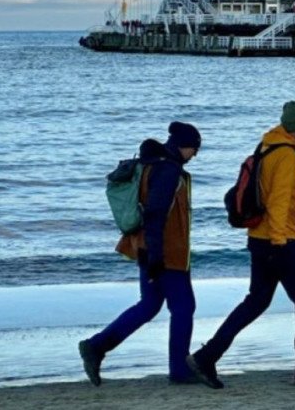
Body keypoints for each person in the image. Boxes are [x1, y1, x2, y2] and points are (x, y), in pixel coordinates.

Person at [187, 101, 295, 389]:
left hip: (259, 240)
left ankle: (207, 357)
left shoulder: (267, 148)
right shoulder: (286, 157)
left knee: (255, 302)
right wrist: (282, 242)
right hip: (278, 242)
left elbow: (277, 202)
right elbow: (279, 202)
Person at [79, 122, 203, 386]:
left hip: (148, 248)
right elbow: (156, 214)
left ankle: (96, 347)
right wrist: (156, 256)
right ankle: (180, 370)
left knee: (148, 306)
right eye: (194, 149)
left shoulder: (151, 165)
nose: (195, 155)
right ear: (184, 146)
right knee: (183, 307)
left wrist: (149, 253)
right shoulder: (168, 171)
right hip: (165, 252)